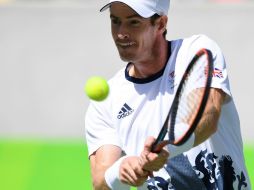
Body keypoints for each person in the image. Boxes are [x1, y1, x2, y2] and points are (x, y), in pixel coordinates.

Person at [85, 0, 251, 189]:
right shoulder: (105, 102)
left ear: (161, 24)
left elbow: (207, 115)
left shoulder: (196, 52)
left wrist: (163, 147)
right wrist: (122, 171)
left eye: (134, 22)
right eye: (115, 21)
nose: (121, 33)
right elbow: (100, 182)